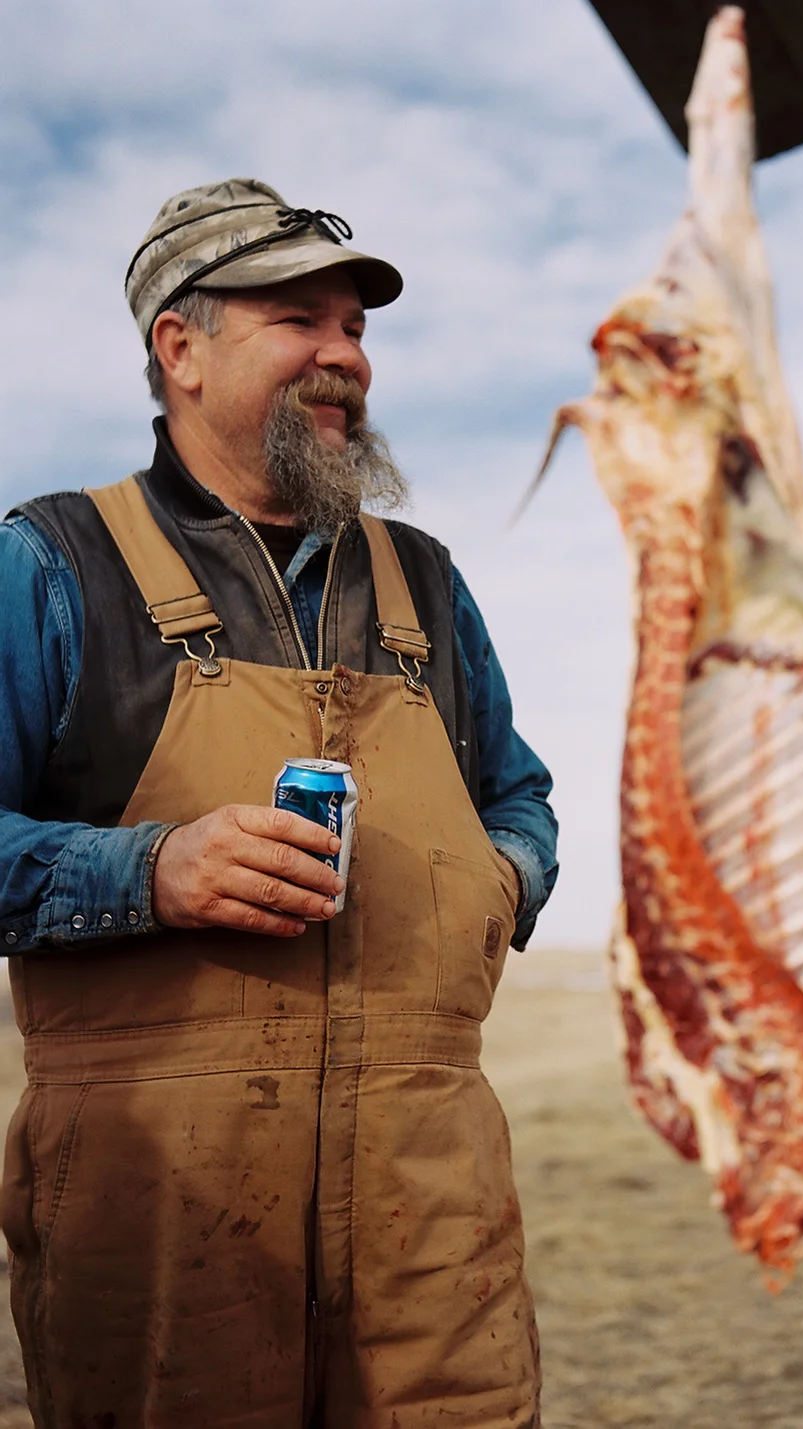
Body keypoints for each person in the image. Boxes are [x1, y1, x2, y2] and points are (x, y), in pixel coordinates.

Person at [0, 178, 558, 1428]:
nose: (345, 356)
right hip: (159, 1224)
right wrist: (149, 872)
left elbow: (518, 796)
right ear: (179, 347)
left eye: (357, 329)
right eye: (299, 320)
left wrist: (501, 878)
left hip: (433, 1215)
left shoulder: (423, 580)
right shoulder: (49, 563)